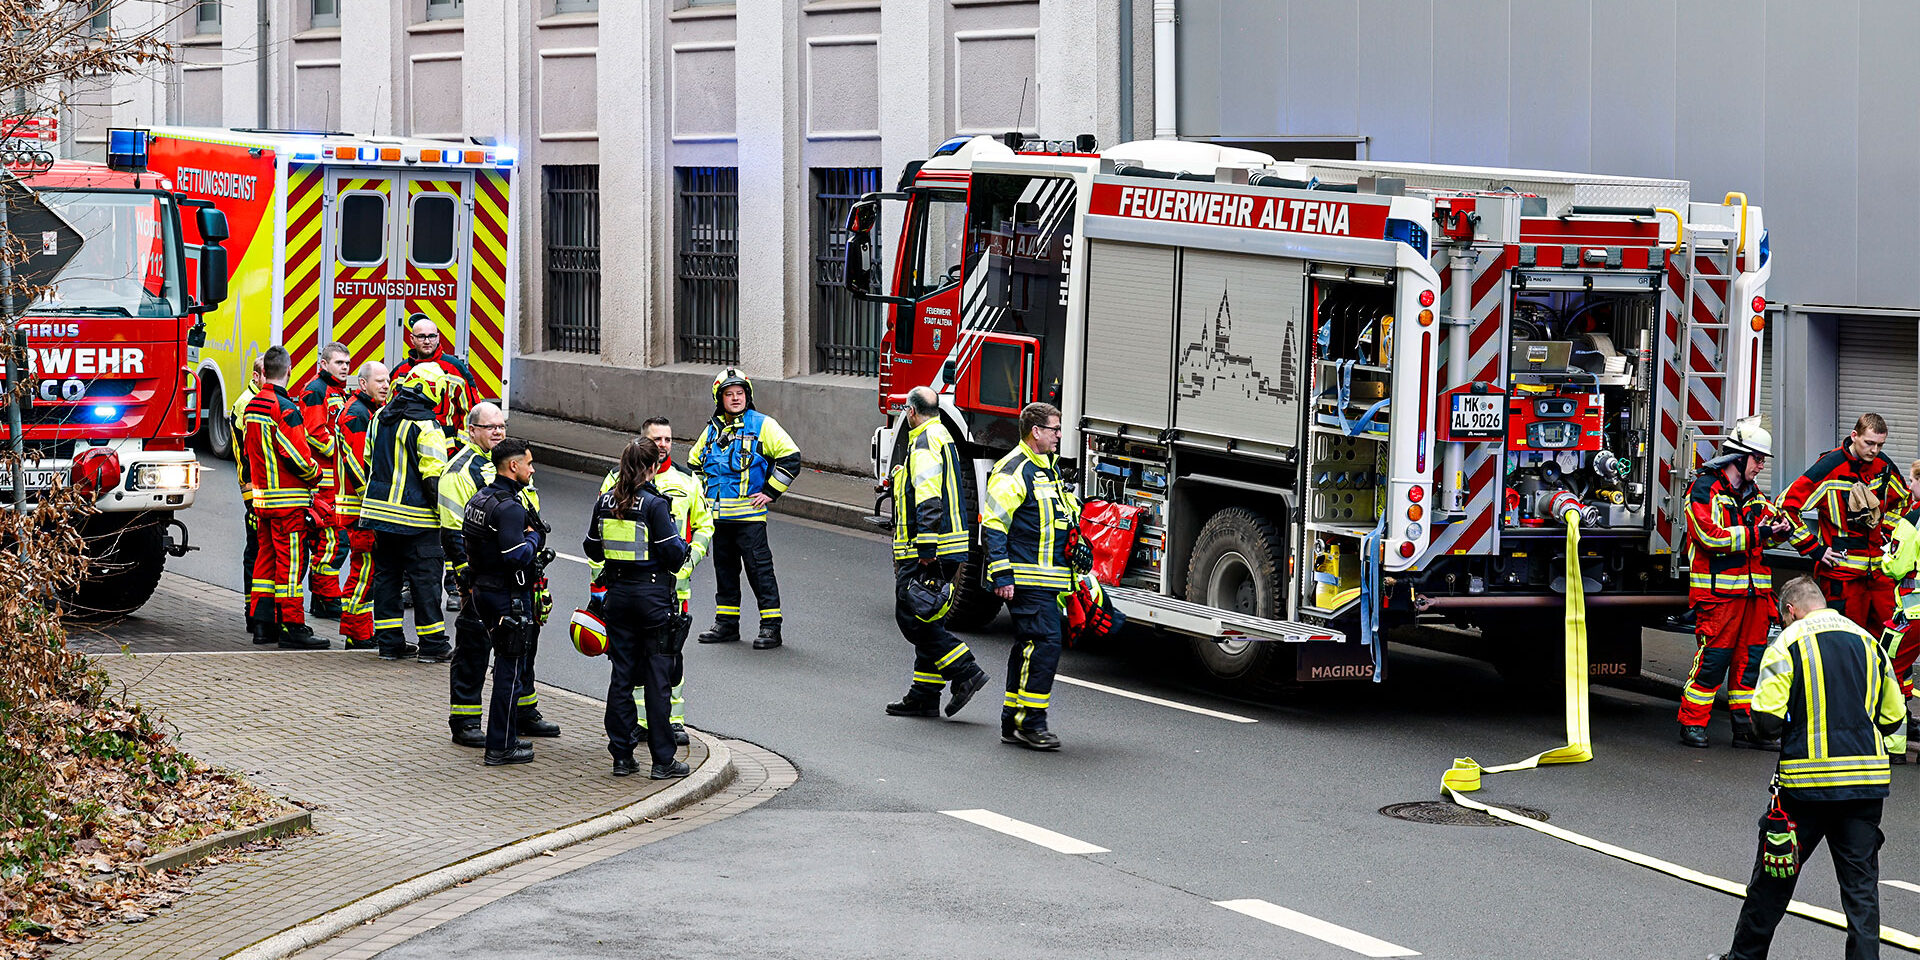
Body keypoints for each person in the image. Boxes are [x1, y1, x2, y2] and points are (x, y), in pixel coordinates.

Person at [1707, 576, 1907, 960]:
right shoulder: (1868, 642)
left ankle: (1743, 959)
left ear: (1790, 610)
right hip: (1865, 788)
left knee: (1772, 882)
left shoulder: (1787, 643)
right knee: (1861, 894)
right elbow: (1894, 716)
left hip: (1805, 790)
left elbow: (1764, 721)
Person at [1678, 417, 1815, 749]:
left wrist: (1812, 548)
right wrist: (1764, 533)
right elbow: (1711, 538)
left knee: (1750, 665)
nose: (1761, 465)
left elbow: (1777, 525)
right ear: (1737, 457)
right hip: (1719, 597)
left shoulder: (1753, 494)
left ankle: (1746, 728)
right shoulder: (1703, 489)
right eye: (1757, 458)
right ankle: (1692, 724)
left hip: (1754, 597)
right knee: (1712, 663)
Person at [443, 403, 560, 746]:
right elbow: (453, 532)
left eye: (501, 426)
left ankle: (522, 712)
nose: (497, 432)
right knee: (474, 649)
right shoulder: (460, 472)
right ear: (471, 430)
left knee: (522, 644)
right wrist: (466, 580)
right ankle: (465, 721)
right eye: (489, 427)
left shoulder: (515, 464)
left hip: (521, 576)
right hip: (485, 578)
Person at [593, 417, 713, 747]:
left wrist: (687, 565)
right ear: (642, 445)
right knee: (637, 665)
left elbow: (704, 526)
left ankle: (672, 722)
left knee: (668, 660)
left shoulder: (686, 484)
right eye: (656, 439)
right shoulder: (615, 485)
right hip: (641, 590)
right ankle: (641, 728)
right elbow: (601, 543)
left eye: (669, 439)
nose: (663, 444)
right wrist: (597, 586)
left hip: (670, 589)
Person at [585, 440, 689, 779]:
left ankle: (622, 756)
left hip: (617, 598)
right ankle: (662, 761)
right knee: (658, 680)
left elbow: (593, 550)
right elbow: (674, 556)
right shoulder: (655, 505)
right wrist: (683, 546)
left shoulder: (605, 501)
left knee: (622, 677)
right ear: (653, 466)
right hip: (652, 598)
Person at [885, 386, 989, 719]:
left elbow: (929, 496)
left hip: (932, 549)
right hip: (950, 547)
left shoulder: (925, 442)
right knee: (927, 615)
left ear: (911, 412)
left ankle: (965, 670)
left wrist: (926, 546)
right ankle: (924, 694)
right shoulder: (942, 436)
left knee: (911, 618)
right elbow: (927, 485)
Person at [981, 402, 1078, 750]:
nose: (1059, 435)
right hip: (1025, 580)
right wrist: (1002, 575)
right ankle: (1031, 724)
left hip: (1047, 581)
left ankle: (1013, 720)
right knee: (1045, 645)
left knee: (1028, 647)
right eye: (1054, 428)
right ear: (1035, 431)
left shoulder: (1046, 468)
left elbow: (1055, 517)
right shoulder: (1014, 469)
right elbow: (993, 524)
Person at [690, 368, 801, 650]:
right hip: (718, 519)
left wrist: (770, 492)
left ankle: (770, 628)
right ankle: (727, 625)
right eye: (729, 394)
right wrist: (702, 498)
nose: (736, 398)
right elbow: (694, 463)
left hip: (750, 519)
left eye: (740, 393)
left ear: (747, 396)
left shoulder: (763, 424)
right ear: (720, 398)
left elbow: (791, 457)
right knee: (724, 572)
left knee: (759, 572)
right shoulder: (713, 429)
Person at [460, 438, 550, 767]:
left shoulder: (480, 498)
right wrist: (534, 538)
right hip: (506, 596)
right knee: (508, 672)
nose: (532, 469)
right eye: (529, 463)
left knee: (504, 668)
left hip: (483, 590)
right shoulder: (510, 507)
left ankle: (505, 740)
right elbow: (516, 557)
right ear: (513, 466)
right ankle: (501, 746)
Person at [1779, 413, 1911, 633]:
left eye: (1880, 445)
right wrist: (1815, 549)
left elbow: (1904, 499)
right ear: (1854, 436)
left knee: (1891, 635)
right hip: (1842, 577)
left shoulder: (1883, 465)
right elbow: (1785, 507)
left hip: (1880, 574)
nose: (1874, 450)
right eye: (1869, 443)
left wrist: (1887, 532)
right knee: (1844, 638)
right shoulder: (1829, 468)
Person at [239, 346, 328, 649]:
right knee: (290, 566)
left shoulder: (253, 406)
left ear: (263, 372)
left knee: (265, 561)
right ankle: (293, 627)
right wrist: (316, 473)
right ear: (288, 371)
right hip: (288, 502)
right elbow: (297, 456)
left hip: (263, 500)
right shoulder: (285, 408)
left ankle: (263, 626)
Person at [360, 373, 450, 662]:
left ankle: (389, 643)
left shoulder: (380, 416)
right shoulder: (427, 425)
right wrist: (446, 516)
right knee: (426, 582)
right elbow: (434, 478)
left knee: (387, 579)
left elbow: (367, 459)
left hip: (379, 516)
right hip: (417, 520)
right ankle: (433, 646)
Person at [297, 342, 353, 620]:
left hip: (337, 483)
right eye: (339, 363)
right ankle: (327, 598)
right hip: (325, 482)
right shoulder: (316, 390)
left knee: (330, 542)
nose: (344, 368)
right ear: (324, 364)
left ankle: (323, 598)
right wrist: (344, 449)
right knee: (334, 541)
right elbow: (314, 433)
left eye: (347, 363)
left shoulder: (338, 392)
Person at [336, 361, 388, 649]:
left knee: (369, 570)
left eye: (387, 380)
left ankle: (364, 629)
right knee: (363, 570)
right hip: (359, 509)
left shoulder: (368, 411)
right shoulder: (357, 414)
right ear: (363, 383)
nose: (385, 385)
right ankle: (357, 633)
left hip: (362, 508)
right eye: (378, 381)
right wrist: (372, 501)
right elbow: (358, 465)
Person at [1871, 457, 1920, 763]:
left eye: (1914, 480)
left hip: (1912, 615)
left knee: (1889, 670)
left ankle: (1893, 744)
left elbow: (1895, 566)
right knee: (1904, 674)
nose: (1910, 486)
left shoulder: (1911, 520)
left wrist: (1886, 553)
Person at [389, 313, 479, 437]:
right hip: (408, 443)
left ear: (437, 338)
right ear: (412, 339)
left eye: (431, 336)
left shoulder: (455, 369)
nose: (427, 341)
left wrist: (460, 445)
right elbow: (388, 409)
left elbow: (471, 412)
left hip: (447, 447)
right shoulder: (400, 371)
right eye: (421, 337)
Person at [233, 356, 270, 644]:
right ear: (256, 376)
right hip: (254, 489)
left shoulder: (259, 399)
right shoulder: (247, 404)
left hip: (259, 487)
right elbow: (248, 455)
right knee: (256, 553)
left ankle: (258, 613)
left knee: (260, 553)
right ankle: (253, 613)